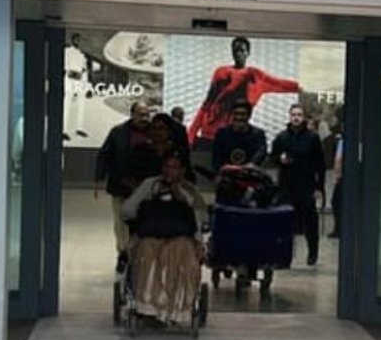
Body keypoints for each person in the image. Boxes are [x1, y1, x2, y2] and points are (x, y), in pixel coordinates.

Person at [121, 153, 208, 324]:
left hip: (181, 237)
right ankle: (148, 306)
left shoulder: (190, 191)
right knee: (147, 250)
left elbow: (201, 217)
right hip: (150, 235)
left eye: (174, 167)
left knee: (182, 252)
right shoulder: (149, 186)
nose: (169, 171)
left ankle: (176, 308)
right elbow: (127, 209)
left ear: (182, 170)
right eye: (167, 167)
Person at [187, 37, 301, 145]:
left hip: (236, 135)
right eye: (235, 50)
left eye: (241, 50)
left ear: (248, 53)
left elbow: (282, 84)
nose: (238, 54)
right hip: (210, 134)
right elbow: (207, 105)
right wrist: (191, 134)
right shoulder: (221, 73)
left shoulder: (255, 76)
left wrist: (307, 85)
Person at [95, 102, 157, 272]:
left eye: (147, 114)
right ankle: (123, 254)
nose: (144, 118)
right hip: (120, 185)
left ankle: (141, 256)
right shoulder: (118, 132)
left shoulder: (155, 134)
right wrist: (99, 177)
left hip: (146, 188)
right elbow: (105, 154)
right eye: (141, 114)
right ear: (132, 114)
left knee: (144, 223)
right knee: (121, 222)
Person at [271, 103, 326, 266]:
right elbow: (272, 158)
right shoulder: (281, 137)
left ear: (304, 118)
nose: (296, 118)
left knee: (310, 221)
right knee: (284, 222)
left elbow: (320, 163)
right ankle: (283, 255)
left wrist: (319, 187)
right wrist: (280, 160)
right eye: (293, 115)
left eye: (299, 115)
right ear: (290, 117)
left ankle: (313, 252)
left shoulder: (312, 138)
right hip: (286, 186)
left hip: (306, 185)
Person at [209, 101, 269, 171]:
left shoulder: (257, 135)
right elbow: (217, 158)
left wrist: (250, 165)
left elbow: (260, 153)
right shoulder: (222, 134)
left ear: (249, 116)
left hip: (248, 174)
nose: (239, 117)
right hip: (226, 174)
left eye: (242, 114)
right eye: (236, 114)